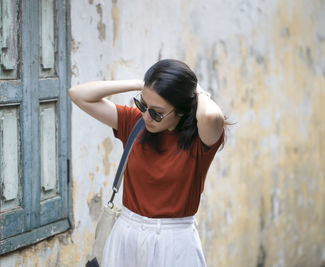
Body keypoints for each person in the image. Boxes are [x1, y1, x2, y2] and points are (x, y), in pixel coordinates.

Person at [69, 59, 225, 267]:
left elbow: (210, 115)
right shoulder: (135, 123)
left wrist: (199, 93)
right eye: (142, 104)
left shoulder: (200, 141)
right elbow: (78, 95)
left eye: (157, 112)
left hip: (174, 241)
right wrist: (140, 84)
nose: (146, 116)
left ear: (180, 111)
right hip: (126, 235)